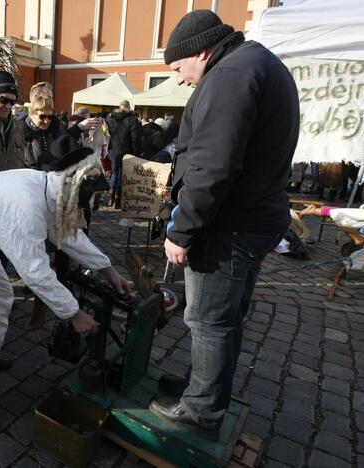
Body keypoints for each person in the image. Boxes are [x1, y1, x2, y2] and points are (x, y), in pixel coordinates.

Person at [150, 10, 300, 440]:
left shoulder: (230, 76)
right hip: (253, 219)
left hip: (230, 227)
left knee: (209, 321)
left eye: (178, 68)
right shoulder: (253, 63)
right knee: (224, 320)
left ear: (200, 51)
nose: (179, 80)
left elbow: (212, 168)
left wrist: (182, 231)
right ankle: (205, 392)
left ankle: (200, 413)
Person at [0, 135, 131, 433]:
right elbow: (35, 272)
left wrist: (108, 270)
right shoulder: (24, 205)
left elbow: (68, 233)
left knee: (1, 297)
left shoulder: (50, 186)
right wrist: (74, 313)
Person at [107, 100, 142, 208]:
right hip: (127, 150)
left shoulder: (110, 119)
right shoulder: (132, 120)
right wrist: (136, 152)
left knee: (114, 173)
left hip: (113, 150)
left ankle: (110, 198)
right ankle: (117, 200)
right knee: (123, 175)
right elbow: (135, 138)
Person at [22, 96, 67, 170]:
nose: (46, 121)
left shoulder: (58, 129)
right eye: (42, 117)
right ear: (31, 115)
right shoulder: (21, 131)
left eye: (49, 117)